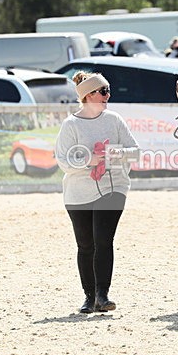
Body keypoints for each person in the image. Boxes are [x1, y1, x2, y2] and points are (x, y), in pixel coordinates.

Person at [55, 72, 140, 314]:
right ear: (88, 95)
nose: (107, 96)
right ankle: (89, 297)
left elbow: (135, 151)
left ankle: (103, 295)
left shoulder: (114, 120)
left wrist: (115, 153)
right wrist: (88, 160)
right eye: (103, 91)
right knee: (85, 245)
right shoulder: (70, 125)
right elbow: (63, 160)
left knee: (103, 239)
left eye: (108, 91)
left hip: (113, 187)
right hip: (77, 192)